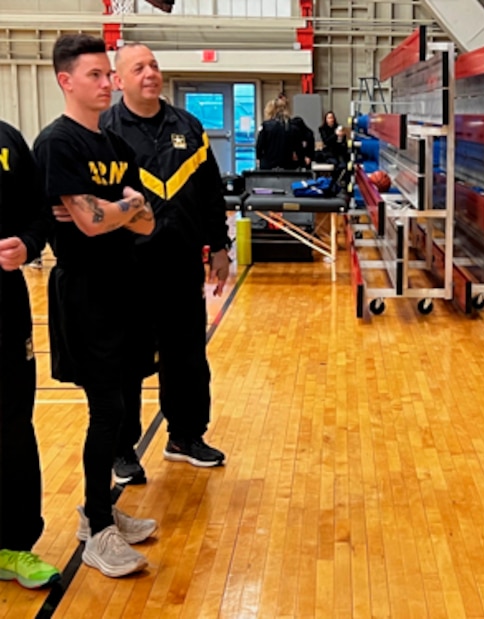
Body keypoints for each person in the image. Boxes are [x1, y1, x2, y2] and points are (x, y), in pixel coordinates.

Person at [32, 33, 158, 578]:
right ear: (66, 81)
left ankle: (102, 506)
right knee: (105, 411)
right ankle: (96, 527)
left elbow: (148, 220)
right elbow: (88, 222)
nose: (107, 83)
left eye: (109, 75)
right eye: (95, 75)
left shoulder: (114, 146)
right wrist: (120, 208)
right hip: (86, 294)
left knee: (124, 406)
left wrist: (117, 207)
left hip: (125, 286)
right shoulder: (59, 144)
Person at [100, 42, 229, 483]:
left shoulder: (189, 128)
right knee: (128, 362)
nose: (150, 73)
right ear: (119, 80)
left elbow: (211, 192)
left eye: (153, 65)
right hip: (126, 270)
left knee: (187, 355)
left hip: (181, 265)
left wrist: (221, 246)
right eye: (138, 68)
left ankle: (186, 437)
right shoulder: (103, 130)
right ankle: (122, 450)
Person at [0, 119, 61, 589]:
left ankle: (14, 545)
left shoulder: (7, 139)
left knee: (13, 426)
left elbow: (39, 212)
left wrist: (28, 243)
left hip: (5, 311)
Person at [256, 98, 297, 170]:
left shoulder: (265, 126)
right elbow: (296, 147)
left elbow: (259, 146)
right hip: (287, 165)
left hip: (268, 165)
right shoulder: (291, 127)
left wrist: (259, 157)